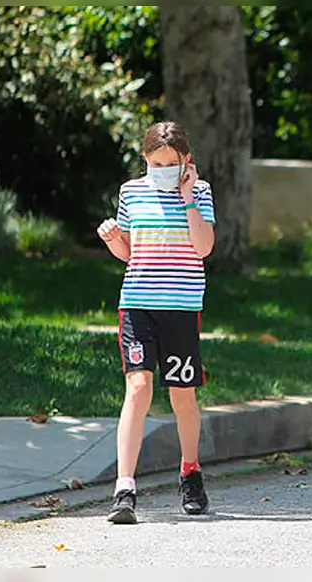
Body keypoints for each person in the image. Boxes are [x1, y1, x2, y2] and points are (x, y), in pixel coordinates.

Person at [96, 121, 216, 524]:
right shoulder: (131, 192)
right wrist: (114, 239)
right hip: (138, 304)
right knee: (139, 385)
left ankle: (190, 471)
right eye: (157, 162)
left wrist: (187, 198)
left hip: (181, 307)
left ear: (186, 162)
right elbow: (131, 252)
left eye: (173, 162)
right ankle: (125, 487)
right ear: (145, 159)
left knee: (183, 396)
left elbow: (203, 247)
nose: (164, 168)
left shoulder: (199, 192)